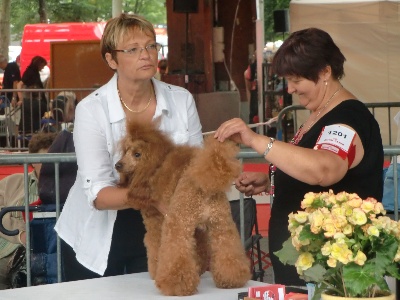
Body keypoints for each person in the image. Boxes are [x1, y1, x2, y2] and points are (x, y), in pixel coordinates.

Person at [214, 27, 383, 287]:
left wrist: (256, 140)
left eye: (296, 80)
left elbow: (324, 170)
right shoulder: (320, 114)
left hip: (331, 272)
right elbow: (308, 168)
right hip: (306, 266)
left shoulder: (349, 118)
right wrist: (273, 178)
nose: (290, 88)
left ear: (325, 71)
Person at [54, 13, 203, 281]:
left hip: (161, 222)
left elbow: (196, 169)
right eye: (133, 50)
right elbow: (98, 194)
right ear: (112, 60)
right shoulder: (91, 109)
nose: (146, 55)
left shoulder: (182, 101)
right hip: (99, 229)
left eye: (150, 46)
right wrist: (153, 196)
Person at [0, 132, 57, 289]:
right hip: (6, 250)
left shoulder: (66, 188)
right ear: (32, 160)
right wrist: (23, 233)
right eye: (42, 159)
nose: (48, 164)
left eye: (52, 158)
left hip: (46, 255)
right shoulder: (13, 182)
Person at [16, 56, 48, 134]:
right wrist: (20, 98)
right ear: (39, 64)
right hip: (33, 101)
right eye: (42, 66)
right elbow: (19, 84)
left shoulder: (33, 72)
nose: (43, 68)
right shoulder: (30, 72)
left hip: (35, 100)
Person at [0, 54, 21, 135]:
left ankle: (15, 137)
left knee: (14, 120)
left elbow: (15, 82)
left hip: (11, 99)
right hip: (7, 98)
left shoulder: (11, 67)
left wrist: (14, 97)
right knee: (9, 119)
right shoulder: (7, 70)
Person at [244, 51, 258, 126]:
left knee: (253, 114)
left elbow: (248, 79)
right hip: (255, 93)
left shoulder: (251, 67)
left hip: (254, 93)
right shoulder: (252, 67)